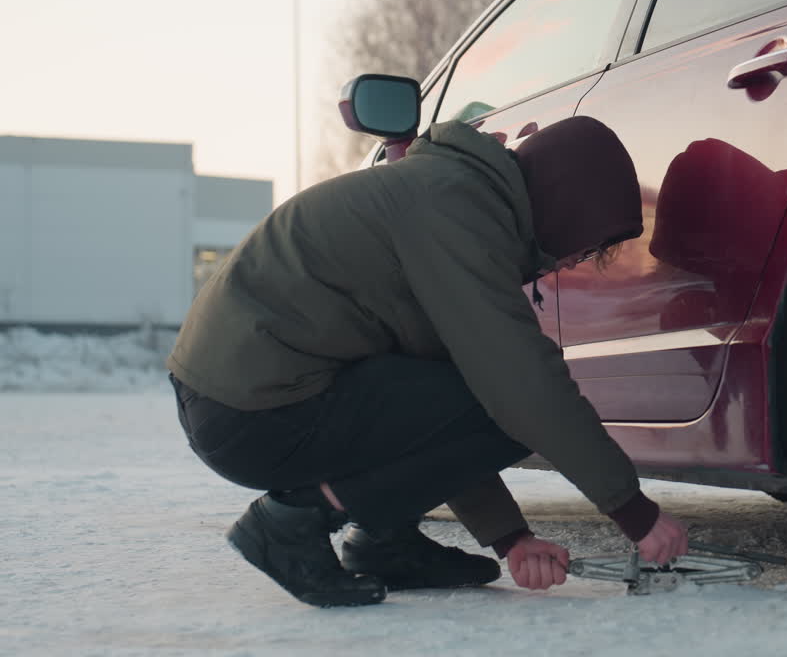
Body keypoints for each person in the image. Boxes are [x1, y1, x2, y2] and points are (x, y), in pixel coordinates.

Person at [167, 116, 689, 607]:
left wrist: (511, 539)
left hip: (242, 397)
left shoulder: (453, 194)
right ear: (567, 203)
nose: (575, 261)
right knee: (510, 405)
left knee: (474, 396)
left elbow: (443, 406)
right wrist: (634, 512)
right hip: (254, 409)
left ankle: (385, 541)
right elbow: (518, 386)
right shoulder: (455, 210)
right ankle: (292, 522)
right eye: (587, 245)